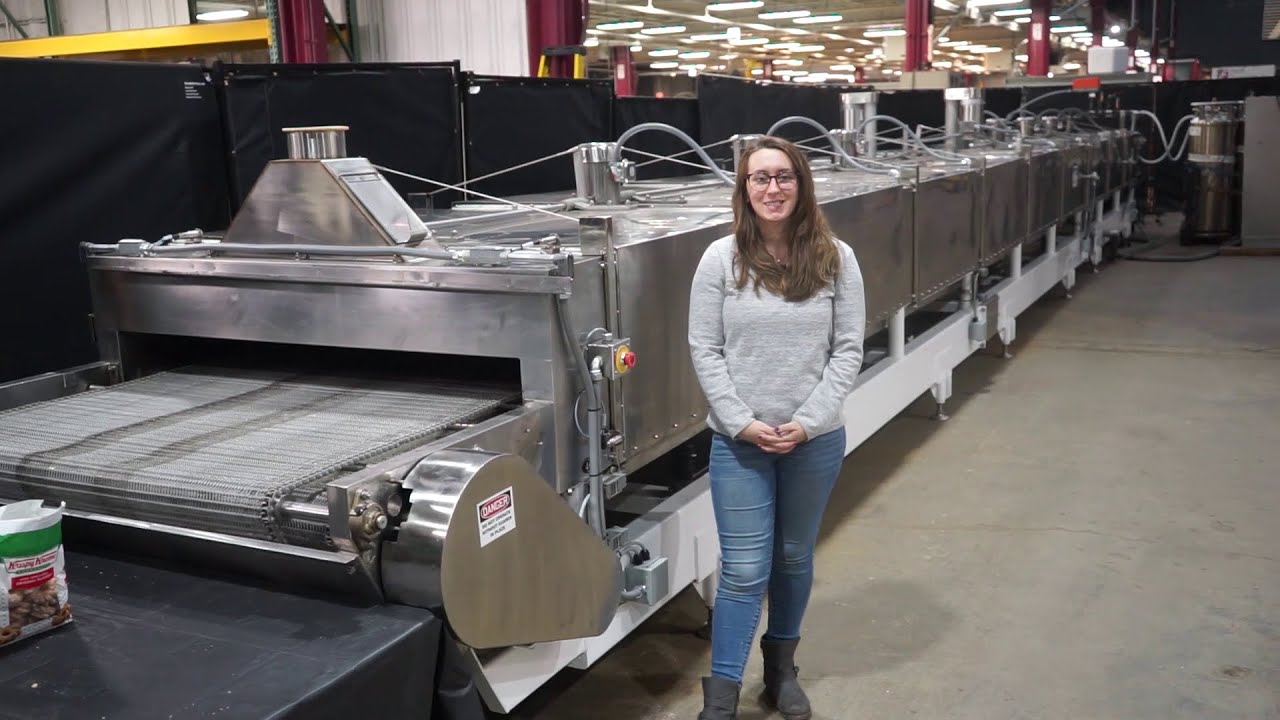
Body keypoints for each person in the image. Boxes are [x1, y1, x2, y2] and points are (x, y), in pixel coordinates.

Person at [687, 136, 866, 720]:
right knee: (742, 568)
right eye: (760, 178)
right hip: (739, 445)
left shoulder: (836, 257)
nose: (772, 188)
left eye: (783, 176)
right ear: (744, 190)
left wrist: (808, 423)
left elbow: (847, 350)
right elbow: (704, 348)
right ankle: (720, 697)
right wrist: (740, 423)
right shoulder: (720, 259)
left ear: (801, 184)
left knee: (792, 557)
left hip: (814, 442)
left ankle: (781, 673)